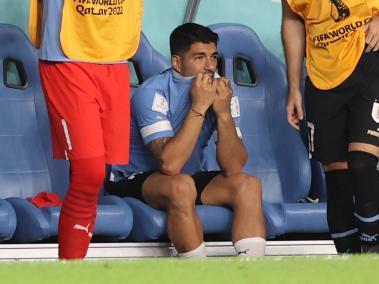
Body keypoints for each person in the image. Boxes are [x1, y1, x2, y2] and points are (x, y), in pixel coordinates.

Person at [106, 23, 266, 258]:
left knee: (249, 185)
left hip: (188, 179)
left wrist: (223, 114)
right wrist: (199, 106)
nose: (210, 67)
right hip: (135, 179)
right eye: (199, 58)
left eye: (213, 57)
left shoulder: (221, 91)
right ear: (177, 62)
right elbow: (169, 165)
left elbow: (233, 167)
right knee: (181, 186)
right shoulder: (152, 92)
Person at [28, 0, 143, 259]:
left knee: (93, 177)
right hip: (67, 55)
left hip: (114, 55)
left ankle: (73, 266)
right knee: (89, 172)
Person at [282, 0, 379, 253]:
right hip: (323, 78)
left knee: (361, 163)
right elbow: (292, 19)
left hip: (370, 59)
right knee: (338, 181)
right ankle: (350, 267)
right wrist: (293, 85)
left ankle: (373, 253)